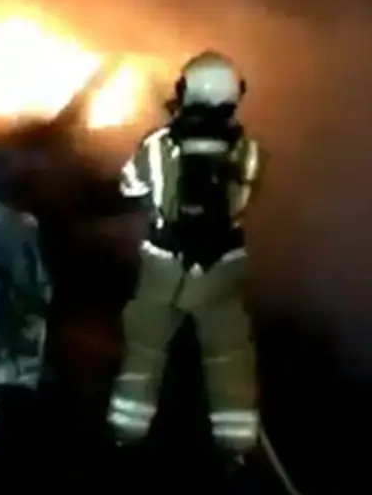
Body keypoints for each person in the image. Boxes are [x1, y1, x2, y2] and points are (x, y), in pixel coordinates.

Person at [106, 50, 264, 478]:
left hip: (162, 264)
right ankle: (236, 449)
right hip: (222, 267)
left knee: (145, 349)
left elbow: (128, 187)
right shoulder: (249, 150)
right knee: (228, 354)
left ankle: (125, 436)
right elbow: (245, 198)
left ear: (186, 91)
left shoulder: (157, 145)